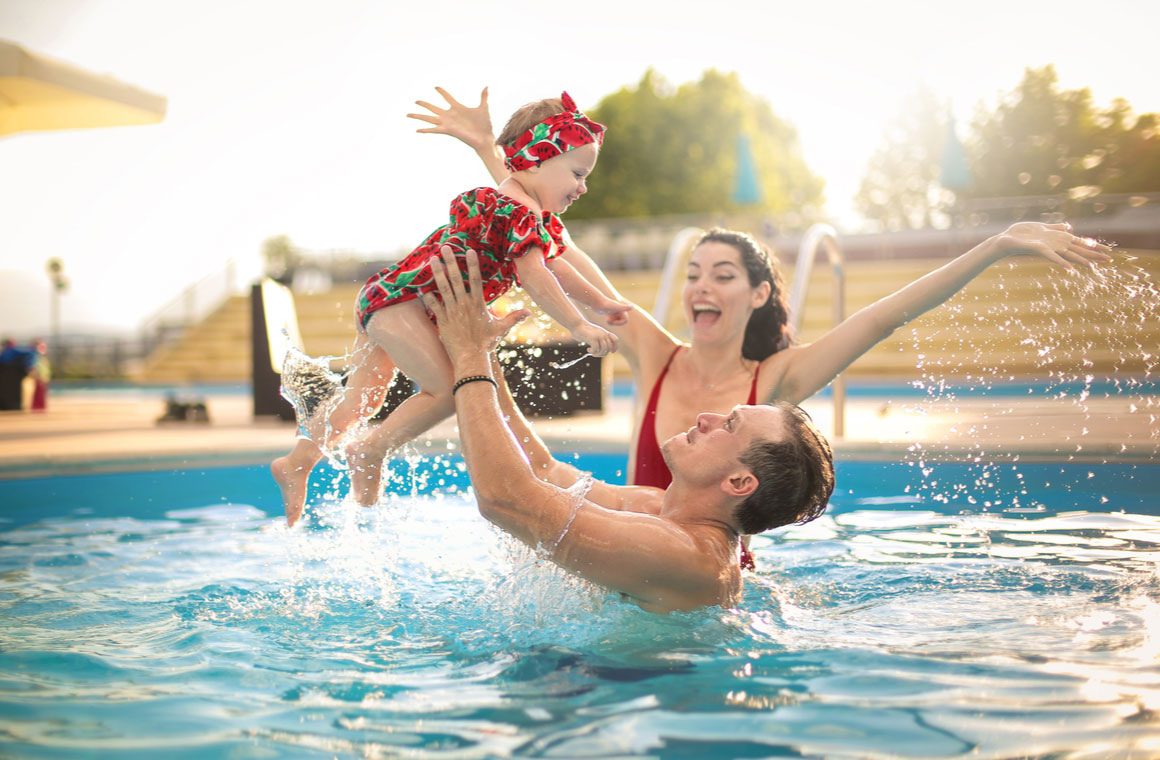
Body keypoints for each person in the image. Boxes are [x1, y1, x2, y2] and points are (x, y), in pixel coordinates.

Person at [409, 88, 1115, 506]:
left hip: (697, 576)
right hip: (619, 554)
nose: (699, 288)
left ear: (758, 294)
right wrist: (491, 157)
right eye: (693, 273)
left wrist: (992, 248)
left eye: (720, 274)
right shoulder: (655, 354)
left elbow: (883, 315)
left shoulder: (773, 383)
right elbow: (555, 242)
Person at [273, 92, 630, 526]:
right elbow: (538, 277)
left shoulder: (526, 212)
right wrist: (577, 324)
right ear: (535, 160)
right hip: (404, 303)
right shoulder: (515, 211)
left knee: (363, 399)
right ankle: (368, 451)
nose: (583, 186)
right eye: (576, 173)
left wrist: (603, 302)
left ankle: (298, 460)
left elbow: (557, 265)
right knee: (447, 391)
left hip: (389, 299)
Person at [423, 245, 835, 612]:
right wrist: (482, 349)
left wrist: (469, 354)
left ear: (740, 482)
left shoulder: (684, 555)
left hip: (625, 689)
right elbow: (543, 472)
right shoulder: (658, 509)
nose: (706, 418)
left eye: (728, 425)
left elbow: (506, 501)